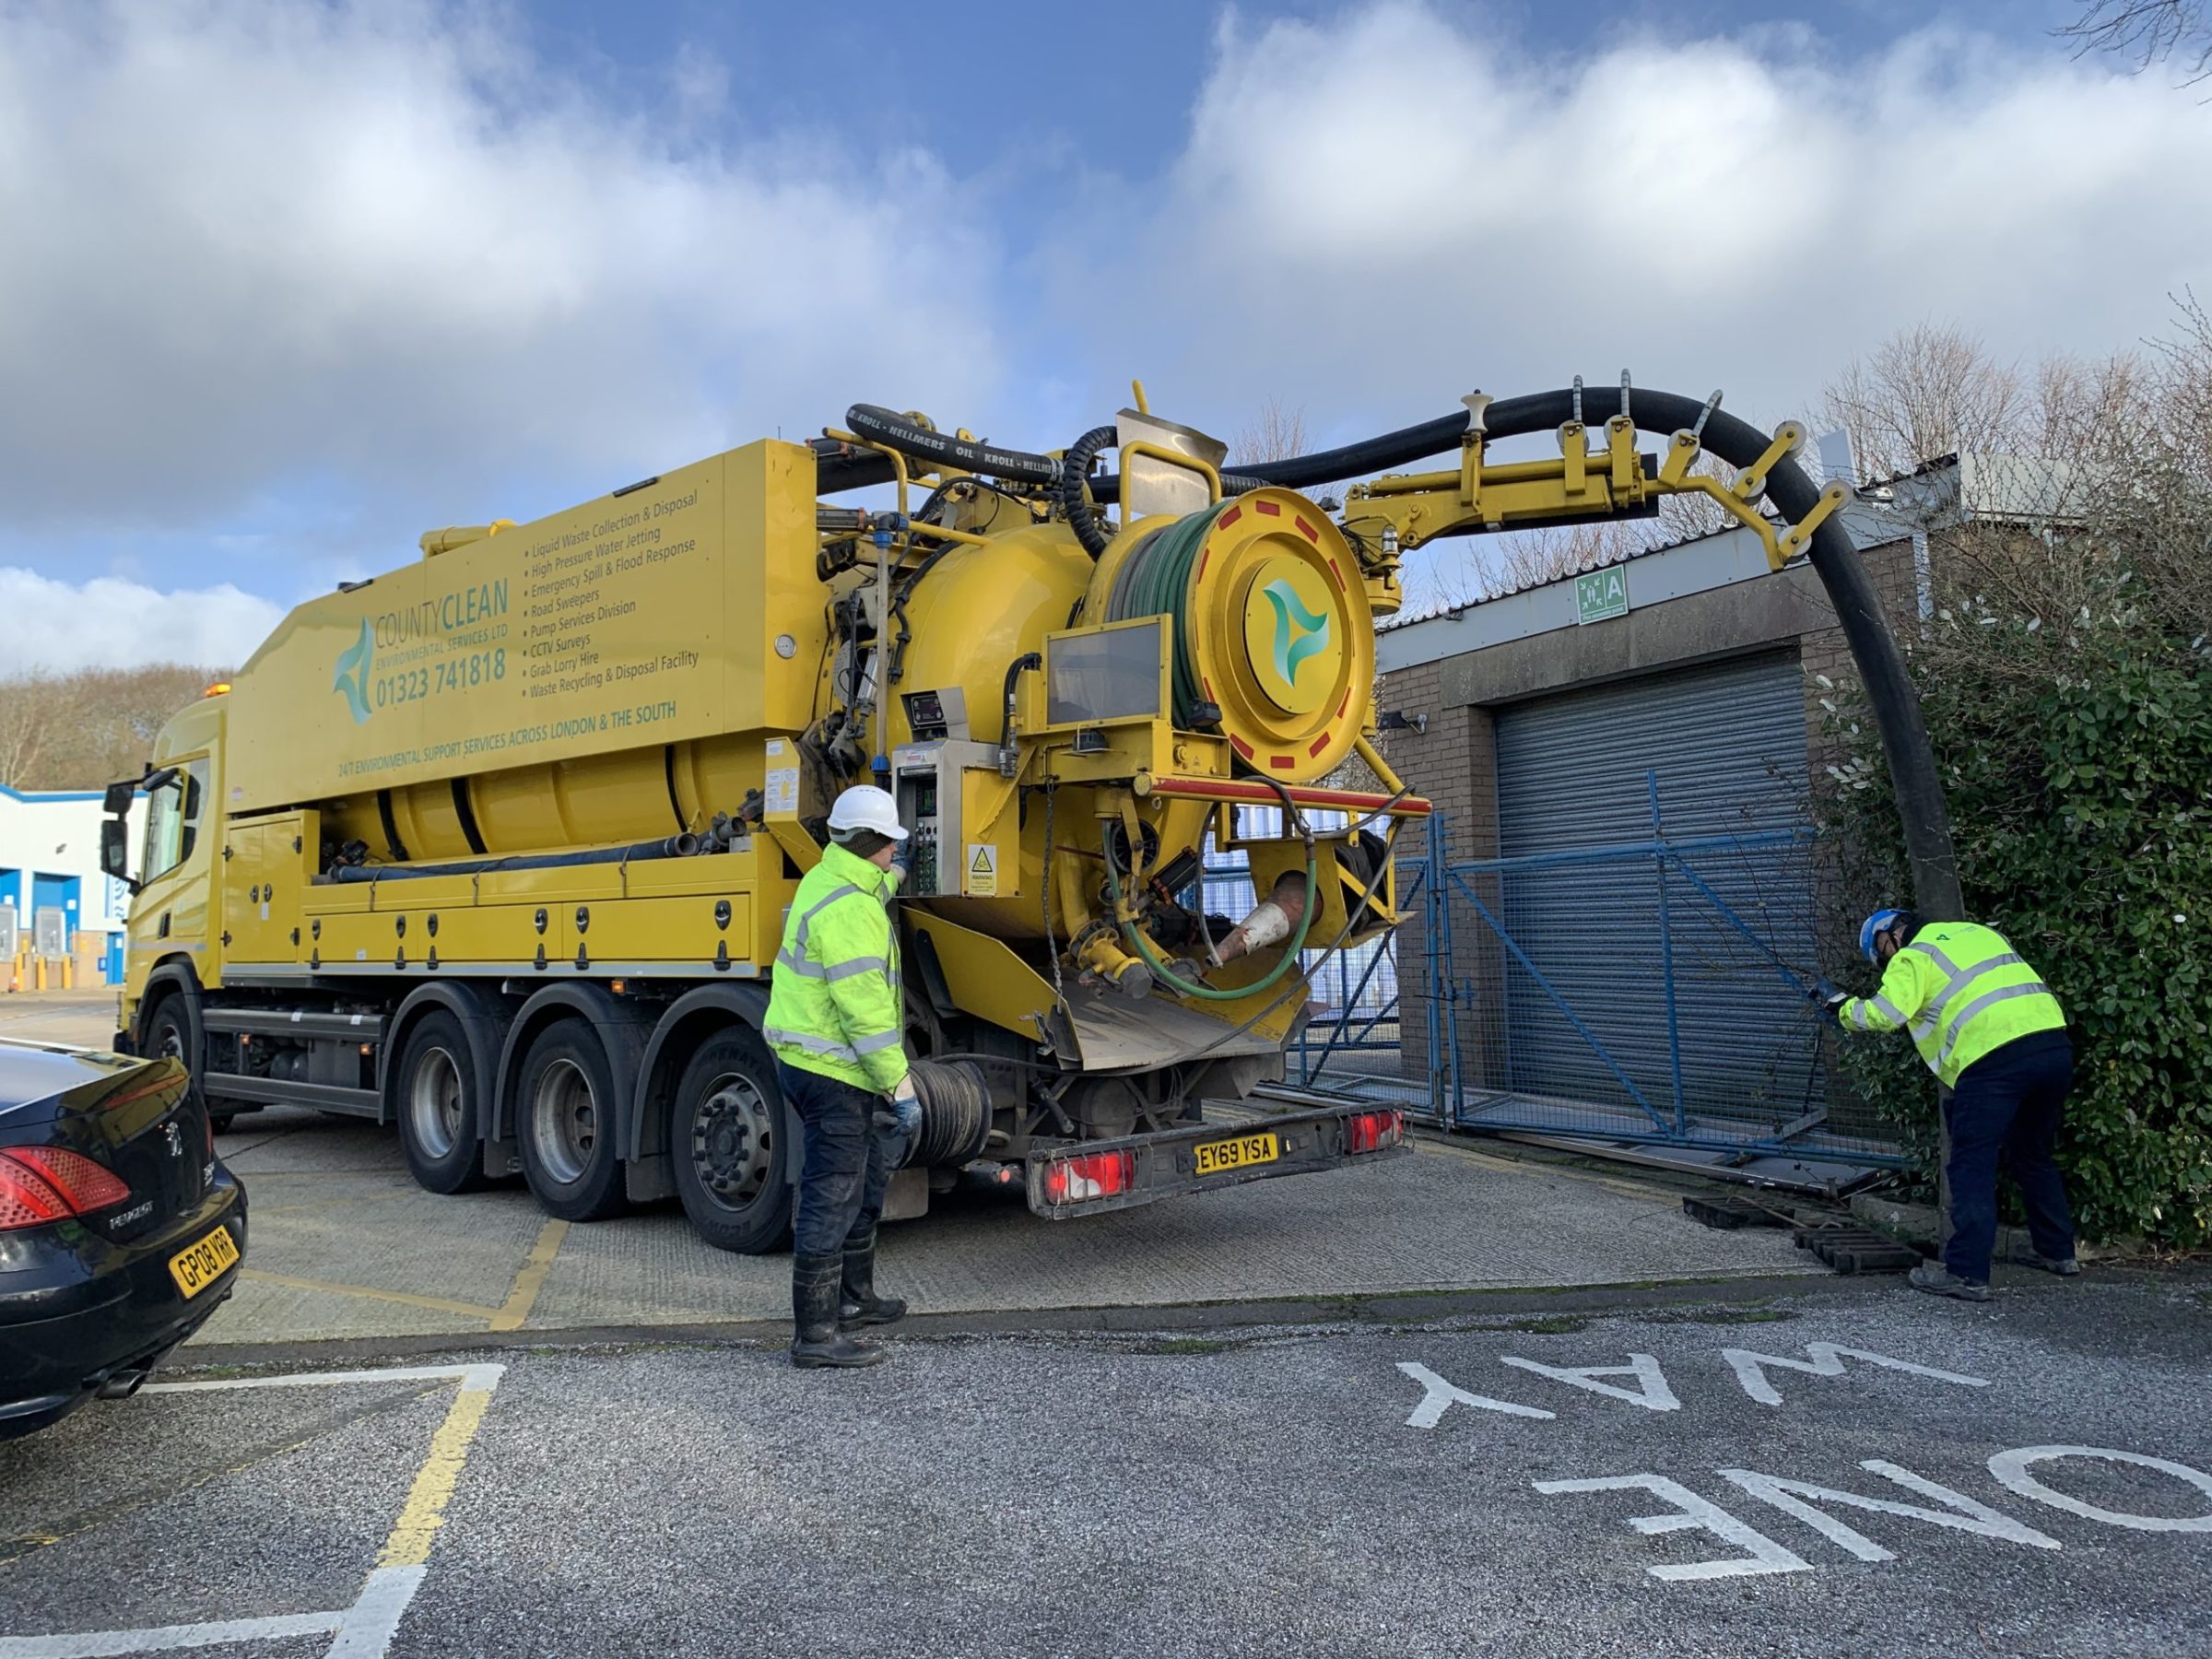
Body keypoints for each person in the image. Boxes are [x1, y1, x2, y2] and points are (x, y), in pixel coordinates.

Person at [1822, 908, 2078, 1302]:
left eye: (1882, 955)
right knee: (2032, 1154)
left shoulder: (1912, 955)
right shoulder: (1977, 933)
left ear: (1888, 938)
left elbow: (1887, 1013)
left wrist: (1842, 1010)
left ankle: (1966, 1274)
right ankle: (2058, 1253)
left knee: (1971, 1164)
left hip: (1992, 1061)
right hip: (2052, 1046)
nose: (1886, 962)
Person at [762, 784, 923, 1368]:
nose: (892, 856)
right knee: (832, 1192)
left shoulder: (828, 878)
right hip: (833, 1070)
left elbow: (873, 881)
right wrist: (902, 1090)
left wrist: (898, 875)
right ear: (873, 842)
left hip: (808, 1062)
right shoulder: (853, 912)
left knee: (867, 1175)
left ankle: (856, 1300)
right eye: (891, 848)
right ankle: (815, 1337)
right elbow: (868, 1017)